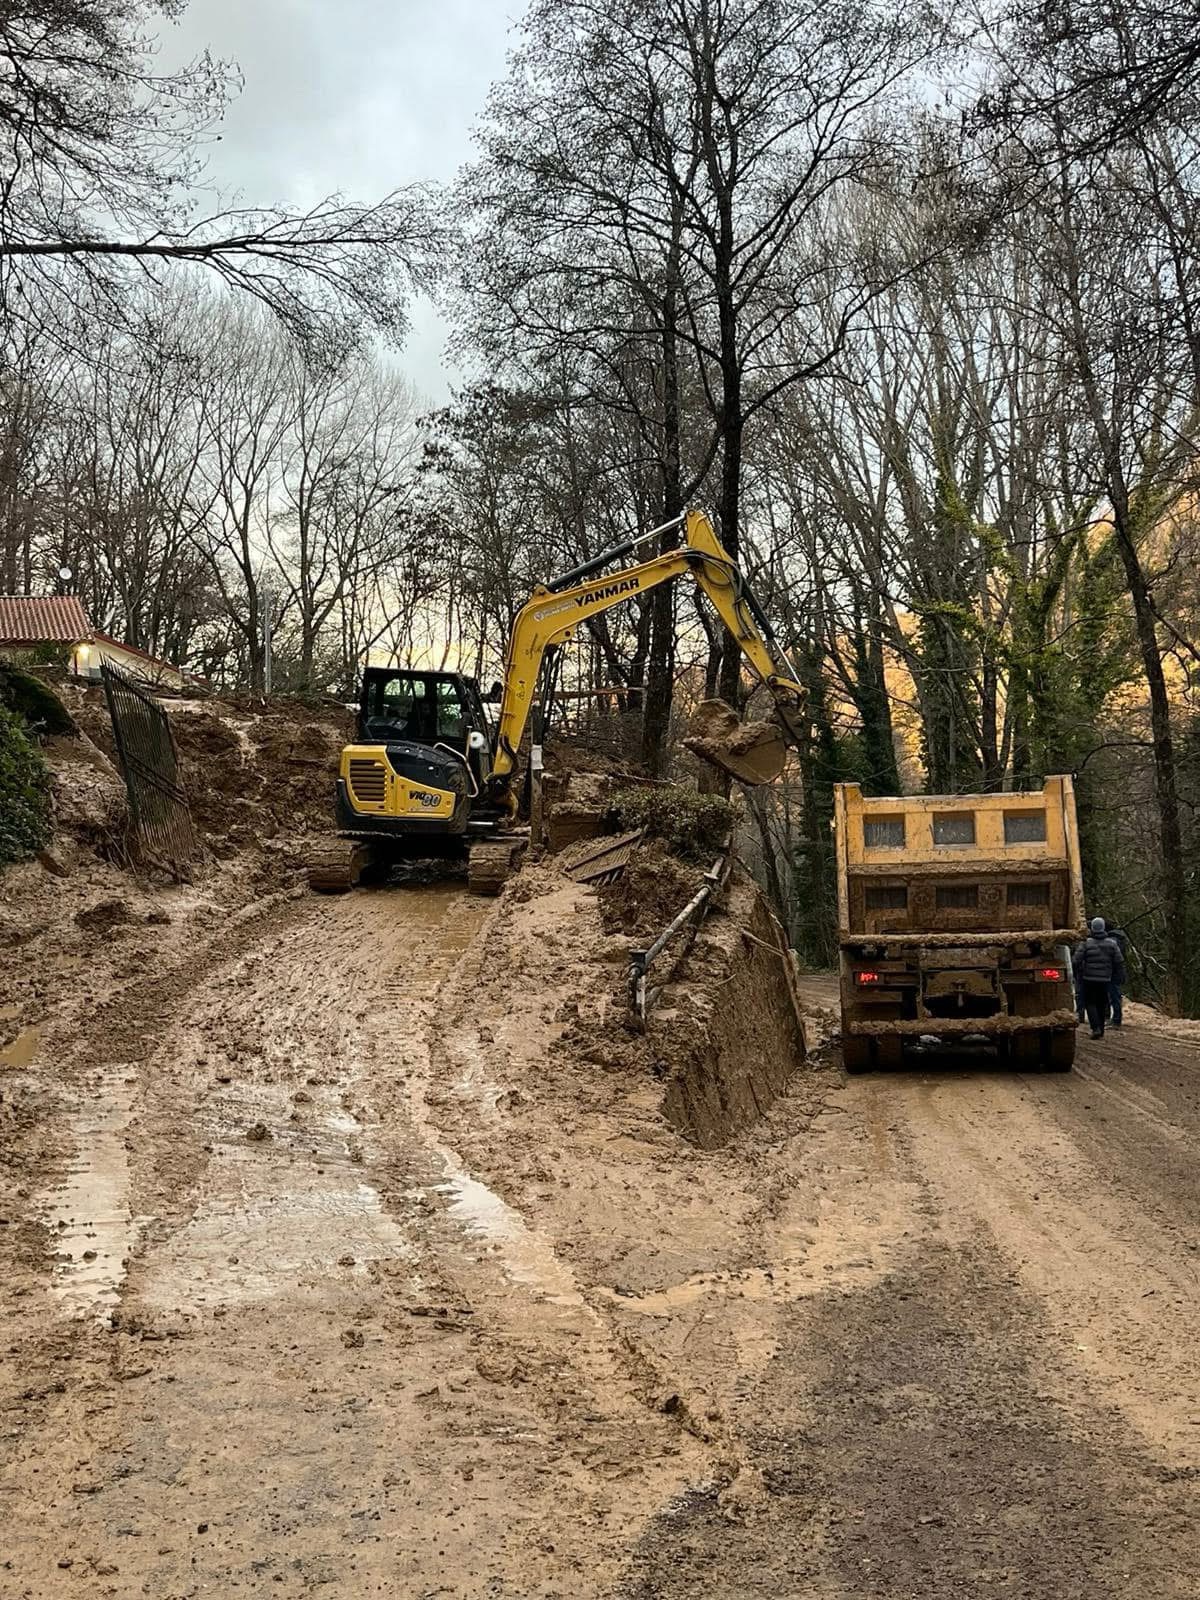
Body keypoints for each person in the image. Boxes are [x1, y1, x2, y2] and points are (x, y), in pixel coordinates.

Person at [1073, 918, 1126, 1039]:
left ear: (1092, 928)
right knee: (1102, 1003)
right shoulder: (1112, 944)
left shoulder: (1086, 943)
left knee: (1090, 1003)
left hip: (1089, 979)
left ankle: (1095, 1027)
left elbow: (1076, 960)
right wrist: (1119, 975)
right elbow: (1119, 961)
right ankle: (1101, 1029)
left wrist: (1079, 972)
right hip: (1105, 979)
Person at [1104, 919, 1128, 1028]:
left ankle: (1116, 1020)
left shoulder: (1113, 941)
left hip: (1113, 972)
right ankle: (1113, 1019)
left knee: (1114, 996)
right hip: (1115, 972)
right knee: (1113, 996)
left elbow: (1113, 958)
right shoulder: (1117, 938)